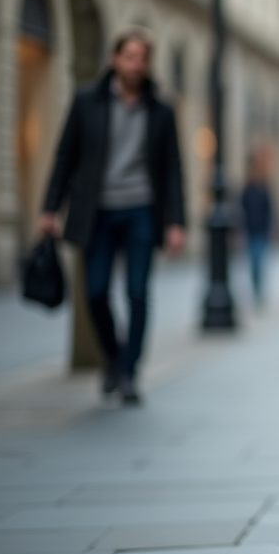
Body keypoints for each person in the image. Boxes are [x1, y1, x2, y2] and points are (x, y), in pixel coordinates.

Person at [38, 27, 186, 406]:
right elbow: (65, 156)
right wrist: (50, 207)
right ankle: (113, 359)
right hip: (97, 212)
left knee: (138, 292)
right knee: (95, 291)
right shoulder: (87, 100)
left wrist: (176, 222)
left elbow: (172, 169)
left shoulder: (161, 108)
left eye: (143, 58)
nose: (137, 65)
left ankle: (129, 372)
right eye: (130, 57)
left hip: (141, 210)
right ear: (114, 59)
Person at [239, 154, 273, 306]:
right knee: (253, 261)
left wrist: (270, 227)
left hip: (261, 231)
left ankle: (258, 290)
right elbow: (241, 208)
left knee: (258, 260)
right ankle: (255, 289)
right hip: (250, 230)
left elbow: (270, 210)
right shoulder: (247, 189)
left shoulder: (264, 189)